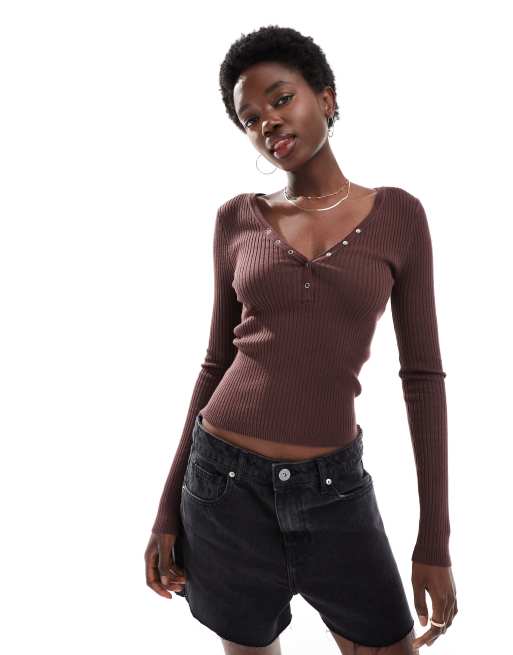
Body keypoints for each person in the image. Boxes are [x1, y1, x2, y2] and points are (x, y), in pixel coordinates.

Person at [145, 24, 457, 655]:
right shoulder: (237, 218)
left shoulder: (399, 215)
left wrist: (435, 541)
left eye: (281, 98)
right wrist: (166, 508)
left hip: (334, 491)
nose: (267, 121)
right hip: (222, 483)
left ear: (327, 97)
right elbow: (216, 362)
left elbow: (422, 378)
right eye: (249, 118)